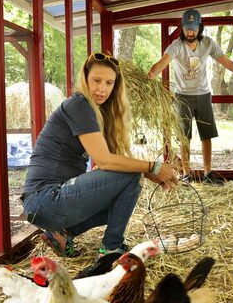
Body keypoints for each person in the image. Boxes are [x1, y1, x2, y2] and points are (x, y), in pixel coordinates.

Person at [21, 52, 178, 257]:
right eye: (96, 80)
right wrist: (153, 166)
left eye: (109, 83)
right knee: (131, 175)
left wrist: (150, 173)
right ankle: (112, 248)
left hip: (49, 202)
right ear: (85, 79)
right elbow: (105, 161)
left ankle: (62, 234)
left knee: (126, 187)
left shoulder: (97, 111)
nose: (102, 88)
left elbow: (115, 165)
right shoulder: (79, 104)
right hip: (45, 198)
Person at [147, 8, 233, 184]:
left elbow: (227, 62)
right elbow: (163, 62)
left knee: (207, 135)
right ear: (182, 28)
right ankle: (186, 173)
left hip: (203, 94)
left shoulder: (208, 43)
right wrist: (149, 77)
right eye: (187, 28)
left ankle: (208, 173)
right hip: (182, 96)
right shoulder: (176, 45)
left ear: (200, 27)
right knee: (185, 136)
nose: (190, 31)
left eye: (193, 27)